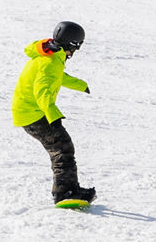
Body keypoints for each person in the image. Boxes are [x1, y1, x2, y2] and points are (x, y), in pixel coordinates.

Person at [13, 21, 96, 207]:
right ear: (72, 45)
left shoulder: (49, 56)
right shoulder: (50, 62)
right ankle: (65, 192)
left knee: (63, 147)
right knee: (62, 149)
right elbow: (41, 91)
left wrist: (80, 85)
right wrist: (53, 115)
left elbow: (58, 77)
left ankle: (69, 188)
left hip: (28, 111)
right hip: (34, 113)